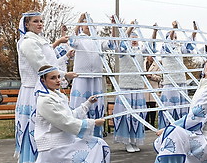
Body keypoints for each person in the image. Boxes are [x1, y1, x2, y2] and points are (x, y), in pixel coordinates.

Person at [9, 65, 110, 163]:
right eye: (53, 78)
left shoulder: (57, 96)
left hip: (64, 143)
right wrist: (92, 123)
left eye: (58, 77)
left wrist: (87, 104)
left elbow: (70, 116)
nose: (57, 80)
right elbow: (64, 122)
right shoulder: (44, 101)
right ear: (43, 81)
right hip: (54, 148)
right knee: (97, 144)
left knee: (98, 143)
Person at [15, 11, 76, 163]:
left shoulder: (41, 41)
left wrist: (64, 63)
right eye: (36, 21)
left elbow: (52, 62)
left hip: (43, 87)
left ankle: (50, 160)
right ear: (27, 24)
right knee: (36, 125)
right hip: (33, 89)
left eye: (41, 21)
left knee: (49, 124)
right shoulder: (27, 42)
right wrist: (64, 75)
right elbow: (42, 67)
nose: (40, 24)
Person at [69, 13, 115, 137]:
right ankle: (78, 135)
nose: (88, 27)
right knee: (80, 103)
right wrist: (79, 20)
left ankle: (95, 135)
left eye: (91, 24)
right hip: (81, 77)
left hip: (96, 78)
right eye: (86, 25)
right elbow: (72, 41)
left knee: (96, 103)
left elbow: (110, 44)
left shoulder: (98, 40)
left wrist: (112, 26)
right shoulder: (79, 39)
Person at [113, 22, 147, 153]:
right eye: (131, 38)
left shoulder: (140, 51)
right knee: (126, 113)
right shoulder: (124, 51)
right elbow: (120, 43)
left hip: (138, 86)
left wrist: (154, 32)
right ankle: (126, 141)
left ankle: (134, 140)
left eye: (135, 38)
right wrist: (129, 29)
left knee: (137, 113)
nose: (134, 40)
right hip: (126, 86)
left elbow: (151, 47)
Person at [158, 21, 195, 129]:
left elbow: (188, 45)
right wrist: (173, 28)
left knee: (182, 110)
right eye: (173, 36)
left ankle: (180, 134)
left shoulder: (178, 49)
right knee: (169, 110)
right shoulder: (165, 49)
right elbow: (168, 44)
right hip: (170, 83)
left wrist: (194, 33)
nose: (175, 38)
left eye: (176, 37)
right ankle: (166, 133)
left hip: (181, 82)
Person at [144, 55, 162, 127]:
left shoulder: (157, 64)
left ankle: (152, 123)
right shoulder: (142, 63)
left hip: (153, 88)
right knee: (145, 107)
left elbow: (159, 77)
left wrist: (151, 76)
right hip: (144, 88)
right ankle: (146, 124)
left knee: (152, 107)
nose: (152, 57)